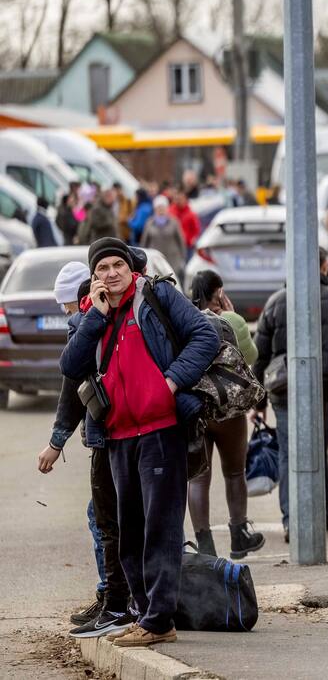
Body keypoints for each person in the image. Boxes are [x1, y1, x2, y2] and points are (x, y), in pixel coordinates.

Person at [59, 237, 220, 648]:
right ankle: (145, 614)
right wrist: (96, 315)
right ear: (93, 278)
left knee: (160, 529)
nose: (110, 274)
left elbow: (205, 336)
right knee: (129, 531)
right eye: (101, 269)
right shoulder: (91, 314)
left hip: (160, 429)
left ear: (130, 268)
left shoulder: (157, 295)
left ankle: (158, 618)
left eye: (117, 265)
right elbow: (71, 366)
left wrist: (171, 381)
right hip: (116, 435)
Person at [38, 261, 133, 639]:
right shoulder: (98, 313)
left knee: (105, 519)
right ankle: (114, 596)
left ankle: (115, 599)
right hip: (124, 431)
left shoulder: (88, 317)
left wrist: (55, 443)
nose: (65, 314)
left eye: (65, 305)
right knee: (112, 517)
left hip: (111, 433)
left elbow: (71, 383)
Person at [255, 247, 328, 538]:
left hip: (282, 389)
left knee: (290, 454)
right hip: (323, 386)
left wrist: (258, 399)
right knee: (318, 448)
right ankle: (321, 512)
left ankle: (293, 519)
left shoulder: (276, 302)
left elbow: (260, 355)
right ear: (325, 266)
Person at [185, 271, 263, 559]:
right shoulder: (232, 321)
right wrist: (233, 317)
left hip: (197, 410)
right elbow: (250, 357)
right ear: (219, 292)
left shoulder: (185, 320)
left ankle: (204, 546)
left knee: (197, 478)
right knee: (234, 473)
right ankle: (239, 534)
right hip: (229, 410)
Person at [139, 196, 187, 279]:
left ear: (167, 208)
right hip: (155, 260)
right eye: (158, 208)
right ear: (155, 209)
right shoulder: (149, 223)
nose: (161, 210)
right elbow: (144, 242)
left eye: (163, 207)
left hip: (173, 260)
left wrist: (182, 258)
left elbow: (181, 241)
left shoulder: (174, 221)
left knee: (174, 281)